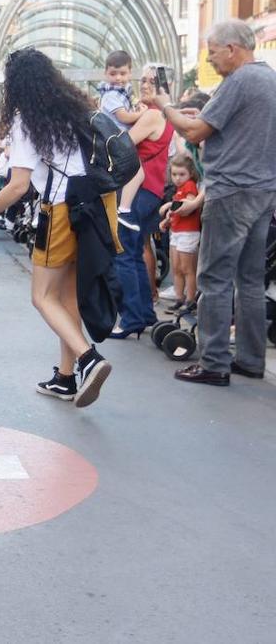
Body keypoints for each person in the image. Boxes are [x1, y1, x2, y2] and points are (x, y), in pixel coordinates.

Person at [0, 48, 114, 408]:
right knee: (68, 298)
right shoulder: (77, 109)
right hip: (92, 210)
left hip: (59, 212)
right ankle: (65, 377)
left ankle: (90, 360)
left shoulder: (29, 121)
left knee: (42, 297)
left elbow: (17, 186)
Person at [152, 19, 276, 385]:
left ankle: (214, 363)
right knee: (250, 279)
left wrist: (165, 106)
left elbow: (193, 132)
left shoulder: (239, 81)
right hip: (262, 190)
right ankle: (251, 359)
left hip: (231, 190)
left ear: (232, 49)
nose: (211, 61)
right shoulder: (268, 79)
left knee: (215, 277)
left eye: (213, 53)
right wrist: (196, 115)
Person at [110, 66, 173, 338]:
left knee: (124, 253)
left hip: (139, 191)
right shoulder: (167, 115)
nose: (144, 85)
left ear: (164, 86)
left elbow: (123, 145)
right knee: (134, 253)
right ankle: (144, 314)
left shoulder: (151, 114)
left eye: (151, 81)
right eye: (143, 80)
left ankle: (131, 318)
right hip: (152, 191)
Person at [97, 50, 146, 230]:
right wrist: (142, 113)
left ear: (130, 73)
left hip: (116, 140)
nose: (118, 78)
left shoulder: (120, 93)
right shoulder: (111, 95)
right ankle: (123, 210)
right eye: (113, 73)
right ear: (105, 73)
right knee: (137, 173)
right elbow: (124, 117)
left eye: (123, 73)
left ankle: (121, 208)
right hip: (116, 141)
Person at [158, 154, 202, 312]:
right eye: (174, 174)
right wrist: (167, 220)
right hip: (177, 231)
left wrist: (170, 204)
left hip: (188, 232)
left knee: (187, 268)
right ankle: (179, 297)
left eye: (181, 174)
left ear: (190, 173)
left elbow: (188, 204)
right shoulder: (179, 189)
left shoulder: (190, 185)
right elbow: (178, 211)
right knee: (176, 268)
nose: (177, 178)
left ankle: (190, 300)